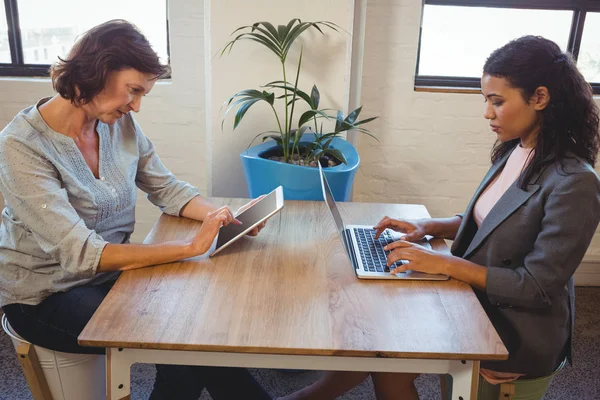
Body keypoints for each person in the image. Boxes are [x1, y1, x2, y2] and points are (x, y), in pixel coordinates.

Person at [277, 35, 600, 400]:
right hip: (476, 294)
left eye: (497, 101)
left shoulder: (576, 183)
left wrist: (443, 264)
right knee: (375, 324)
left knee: (386, 342)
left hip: (515, 324)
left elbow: (536, 287)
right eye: (485, 101)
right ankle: (314, 395)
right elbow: (490, 220)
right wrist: (427, 227)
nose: (487, 113)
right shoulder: (518, 149)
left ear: (539, 98)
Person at [0, 20, 271, 400]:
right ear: (95, 73)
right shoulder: (21, 146)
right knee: (178, 342)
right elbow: (81, 254)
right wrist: (190, 247)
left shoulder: (117, 124)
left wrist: (222, 214)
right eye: (133, 91)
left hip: (111, 276)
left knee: (196, 326)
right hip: (45, 295)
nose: (137, 105)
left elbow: (166, 187)